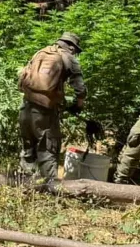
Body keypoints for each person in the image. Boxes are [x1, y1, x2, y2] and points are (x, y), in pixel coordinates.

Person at [17, 32, 87, 185]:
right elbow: (80, 89)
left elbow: (22, 79)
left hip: (25, 107)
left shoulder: (40, 53)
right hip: (45, 113)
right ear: (71, 47)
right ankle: (50, 188)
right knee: (48, 149)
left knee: (28, 149)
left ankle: (25, 185)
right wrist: (78, 105)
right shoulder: (69, 58)